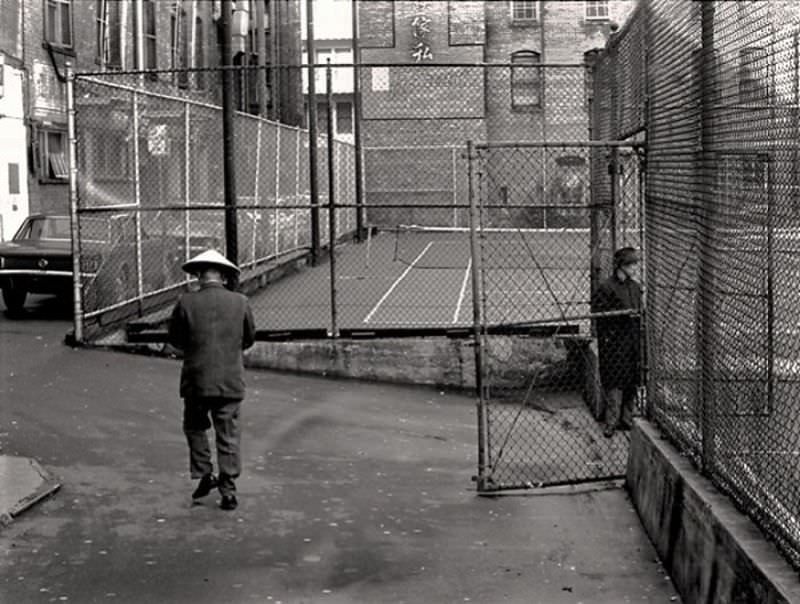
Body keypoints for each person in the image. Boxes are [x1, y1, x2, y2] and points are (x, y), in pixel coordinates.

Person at [168, 250, 256, 510]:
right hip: (230, 380)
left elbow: (176, 340)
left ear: (199, 275)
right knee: (228, 434)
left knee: (195, 426)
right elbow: (249, 338)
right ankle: (228, 491)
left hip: (196, 380)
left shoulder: (185, 303)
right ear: (225, 276)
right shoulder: (240, 302)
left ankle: (204, 472)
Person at [592, 247, 642, 438]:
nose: (634, 268)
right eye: (631, 264)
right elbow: (600, 317)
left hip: (632, 342)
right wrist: (620, 318)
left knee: (631, 382)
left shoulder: (635, 288)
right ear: (621, 265)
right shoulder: (606, 288)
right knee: (615, 384)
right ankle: (611, 422)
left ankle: (627, 419)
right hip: (614, 343)